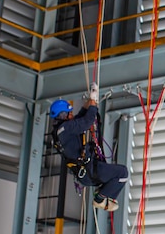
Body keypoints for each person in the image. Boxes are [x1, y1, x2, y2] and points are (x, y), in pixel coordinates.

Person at [49, 84, 128, 212]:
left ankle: (102, 195)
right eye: (69, 113)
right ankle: (100, 198)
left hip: (88, 171)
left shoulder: (61, 130)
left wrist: (90, 100)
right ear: (63, 115)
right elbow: (87, 121)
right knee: (122, 173)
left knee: (121, 173)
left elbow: (80, 118)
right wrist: (93, 104)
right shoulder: (66, 129)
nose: (71, 115)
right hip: (89, 170)